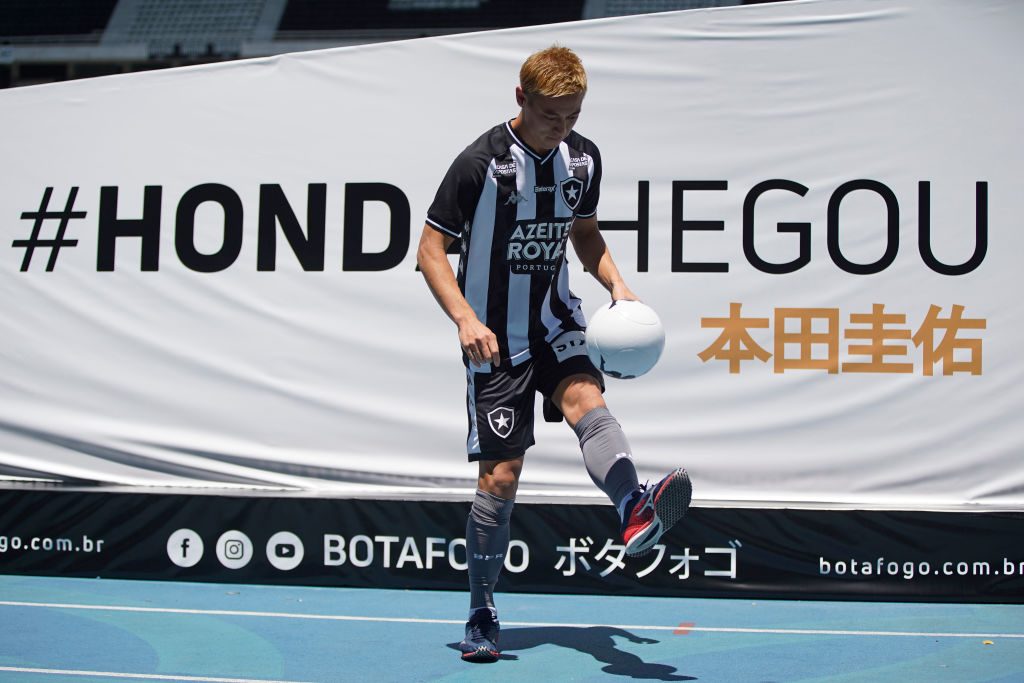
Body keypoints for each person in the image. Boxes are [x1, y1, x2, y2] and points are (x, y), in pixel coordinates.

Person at [416, 45, 692, 664]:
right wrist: (464, 319)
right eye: (550, 115)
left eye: (571, 115)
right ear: (521, 99)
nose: (562, 126)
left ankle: (632, 506)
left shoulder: (583, 158)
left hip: (556, 321)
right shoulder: (479, 164)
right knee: (501, 478)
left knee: (586, 400)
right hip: (495, 337)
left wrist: (615, 283)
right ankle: (482, 611)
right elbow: (430, 251)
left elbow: (584, 233)